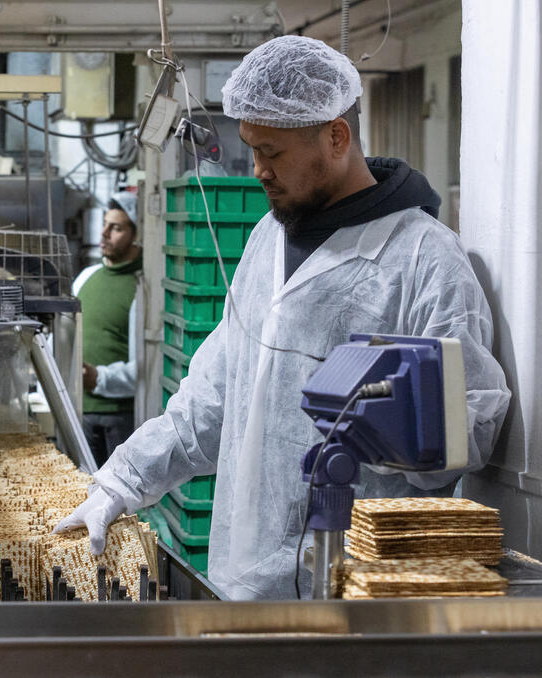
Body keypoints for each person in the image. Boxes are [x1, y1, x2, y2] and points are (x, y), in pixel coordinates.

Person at [55, 35, 510, 599]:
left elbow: (476, 422)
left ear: (336, 137)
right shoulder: (267, 239)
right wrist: (122, 481)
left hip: (355, 596)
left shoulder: (423, 258)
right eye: (251, 149)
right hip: (241, 574)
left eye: (272, 152)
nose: (258, 170)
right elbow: (213, 397)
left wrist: (403, 430)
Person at [73, 191, 142, 466]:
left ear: (136, 234)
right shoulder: (86, 279)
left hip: (122, 416)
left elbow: (146, 368)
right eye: (104, 224)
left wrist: (100, 378)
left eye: (116, 228)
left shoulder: (142, 286)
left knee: (123, 500)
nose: (104, 234)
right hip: (81, 410)